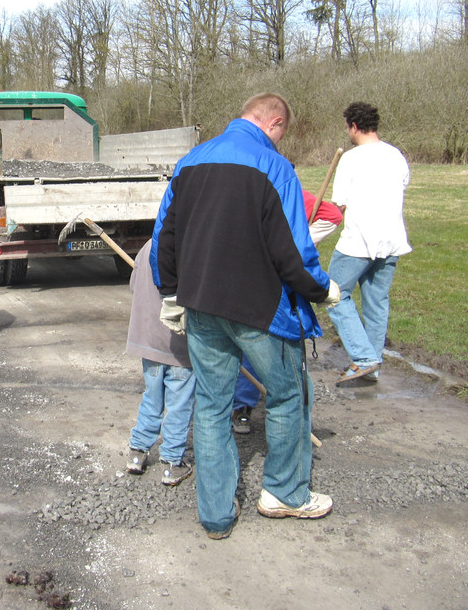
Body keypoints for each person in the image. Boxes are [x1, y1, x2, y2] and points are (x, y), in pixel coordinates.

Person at [151, 92, 339, 540]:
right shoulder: (276, 167)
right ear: (274, 123)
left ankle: (215, 514)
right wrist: (321, 289)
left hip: (201, 306)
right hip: (260, 310)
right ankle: (285, 494)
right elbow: (293, 249)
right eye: (282, 132)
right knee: (289, 394)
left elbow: (164, 237)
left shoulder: (190, 162)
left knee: (212, 407)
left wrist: (171, 293)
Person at [233, 192, 344, 434]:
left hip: (273, 283)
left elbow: (333, 215)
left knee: (269, 345)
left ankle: (281, 417)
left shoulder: (289, 194)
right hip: (254, 279)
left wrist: (298, 243)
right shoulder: (256, 189)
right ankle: (247, 407)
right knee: (257, 344)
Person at [327, 102, 411, 384]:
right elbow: (402, 185)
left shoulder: (351, 159)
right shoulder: (396, 155)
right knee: (377, 304)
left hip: (358, 242)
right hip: (392, 241)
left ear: (353, 126)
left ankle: (365, 358)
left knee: (334, 296)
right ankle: (371, 366)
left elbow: (340, 203)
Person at [124, 238, 196, 487]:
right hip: (178, 345)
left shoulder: (148, 246)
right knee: (179, 403)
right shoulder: (188, 247)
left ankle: (137, 453)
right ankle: (172, 462)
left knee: (152, 396)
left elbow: (135, 286)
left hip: (148, 342)